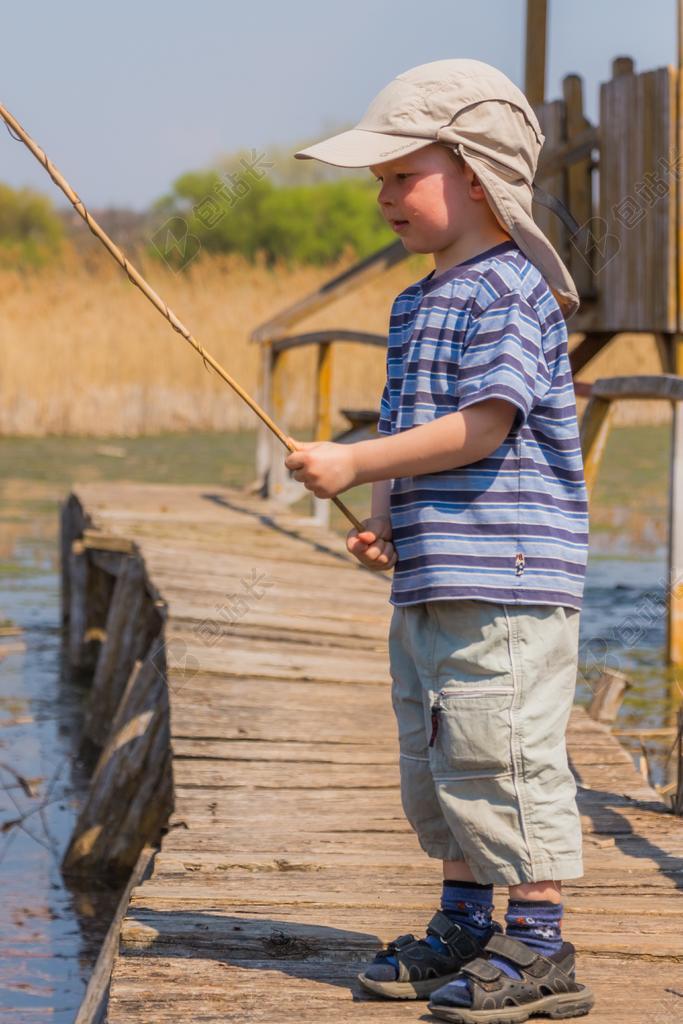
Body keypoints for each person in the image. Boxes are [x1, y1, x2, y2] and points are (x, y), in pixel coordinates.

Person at [284, 59, 594, 1023]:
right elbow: (417, 423)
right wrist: (383, 517)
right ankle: (465, 920)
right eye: (379, 179)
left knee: (502, 752)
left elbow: (483, 427)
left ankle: (539, 944)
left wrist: (355, 465)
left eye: (399, 174)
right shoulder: (419, 299)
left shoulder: (508, 289)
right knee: (444, 752)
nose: (382, 196)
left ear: (475, 173)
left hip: (505, 576)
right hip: (434, 573)